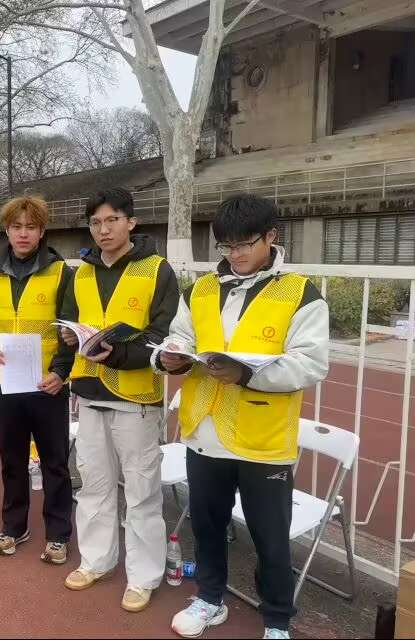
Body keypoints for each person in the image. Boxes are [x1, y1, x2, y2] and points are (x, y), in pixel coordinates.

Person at [156, 194, 329, 640]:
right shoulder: (201, 289)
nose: (234, 254)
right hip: (204, 430)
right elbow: (181, 335)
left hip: (263, 439)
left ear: (271, 236)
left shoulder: (300, 293)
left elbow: (310, 363)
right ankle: (209, 598)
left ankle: (277, 621)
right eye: (226, 246)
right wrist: (173, 356)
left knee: (270, 535)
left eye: (244, 244)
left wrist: (246, 374)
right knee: (207, 524)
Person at [60, 187, 179, 612]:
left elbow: (165, 335)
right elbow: (70, 322)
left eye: (112, 220)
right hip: (89, 392)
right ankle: (97, 560)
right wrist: (69, 338)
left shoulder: (157, 270)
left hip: (136, 397)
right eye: (96, 223)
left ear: (131, 222)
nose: (103, 230)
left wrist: (118, 355)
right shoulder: (81, 273)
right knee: (93, 484)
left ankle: (143, 576)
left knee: (142, 492)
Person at [0, 195, 74, 564]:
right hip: (5, 383)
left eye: (31, 227)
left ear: (42, 231)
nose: (23, 234)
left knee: (55, 462)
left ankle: (58, 534)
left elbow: (70, 330)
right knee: (12, 460)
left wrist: (60, 372)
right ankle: (14, 527)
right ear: (6, 230)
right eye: (16, 227)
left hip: (47, 385)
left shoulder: (62, 273)